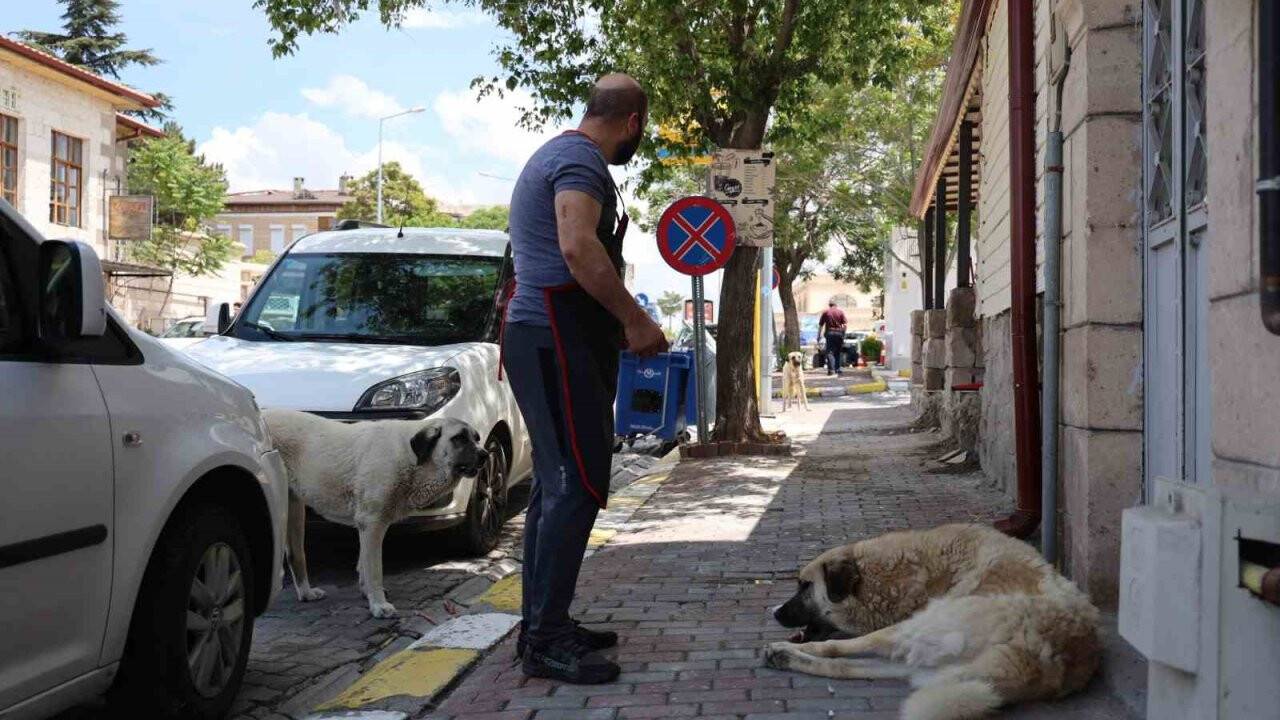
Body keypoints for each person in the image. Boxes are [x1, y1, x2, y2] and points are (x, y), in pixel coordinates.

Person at [501, 73, 668, 685]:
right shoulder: (580, 162)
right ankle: (544, 641)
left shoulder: (558, 153)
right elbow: (577, 247)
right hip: (552, 337)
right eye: (640, 133)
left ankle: (544, 623)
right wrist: (637, 319)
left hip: (546, 338)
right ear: (633, 124)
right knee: (574, 485)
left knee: (555, 487)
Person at [818, 299, 847, 376]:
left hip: (830, 333)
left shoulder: (826, 312)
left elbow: (821, 325)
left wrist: (818, 336)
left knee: (830, 352)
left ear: (829, 305)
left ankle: (831, 370)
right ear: (835, 305)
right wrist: (843, 334)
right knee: (837, 352)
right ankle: (837, 369)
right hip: (839, 333)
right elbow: (844, 325)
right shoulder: (840, 312)